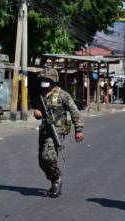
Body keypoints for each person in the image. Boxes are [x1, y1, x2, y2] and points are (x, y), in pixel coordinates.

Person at [33, 68, 84, 198]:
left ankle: (57, 180)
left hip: (57, 130)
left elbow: (74, 112)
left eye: (46, 80)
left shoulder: (63, 95)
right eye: (43, 80)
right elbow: (38, 111)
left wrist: (78, 130)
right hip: (44, 130)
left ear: (52, 81)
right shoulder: (42, 94)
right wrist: (37, 113)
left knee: (48, 157)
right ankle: (54, 181)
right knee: (42, 161)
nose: (43, 82)